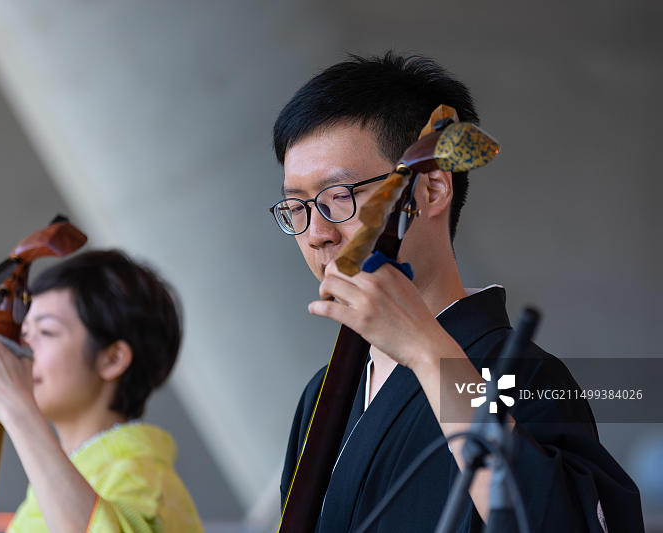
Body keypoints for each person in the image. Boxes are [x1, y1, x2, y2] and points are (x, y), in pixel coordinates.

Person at [272, 53, 644, 532]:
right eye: (296, 206)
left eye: (339, 197)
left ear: (430, 190)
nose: (316, 232)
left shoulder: (523, 374)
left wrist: (429, 353)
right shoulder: (321, 396)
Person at [0, 249, 203, 533]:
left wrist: (16, 409)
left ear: (112, 359)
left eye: (46, 332)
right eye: (25, 331)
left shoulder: (143, 480)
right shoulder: (74, 473)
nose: (24, 349)